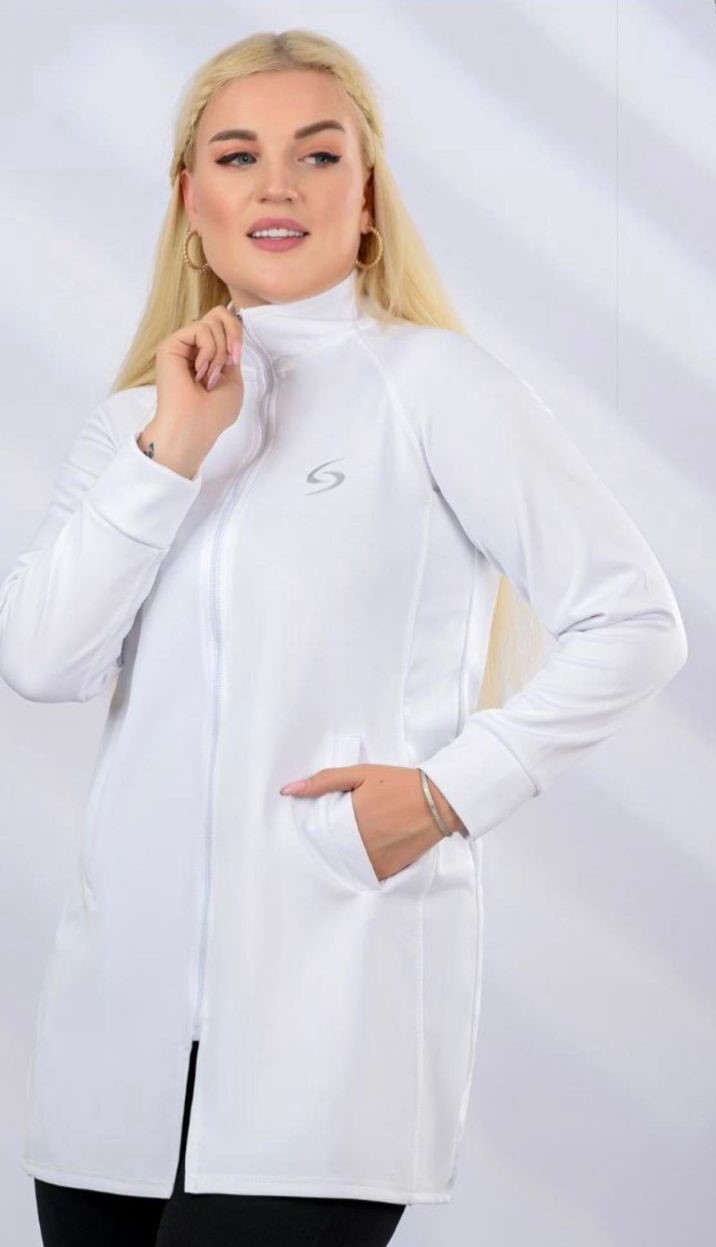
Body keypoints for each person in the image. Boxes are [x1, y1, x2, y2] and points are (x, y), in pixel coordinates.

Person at [0, 27, 687, 1247]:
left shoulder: (434, 389)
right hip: (116, 1039)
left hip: (328, 1014)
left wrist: (444, 792)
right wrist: (173, 450)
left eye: (318, 155)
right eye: (238, 155)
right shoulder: (134, 424)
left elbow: (632, 619)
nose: (278, 184)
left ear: (366, 199)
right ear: (188, 198)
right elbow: (42, 660)